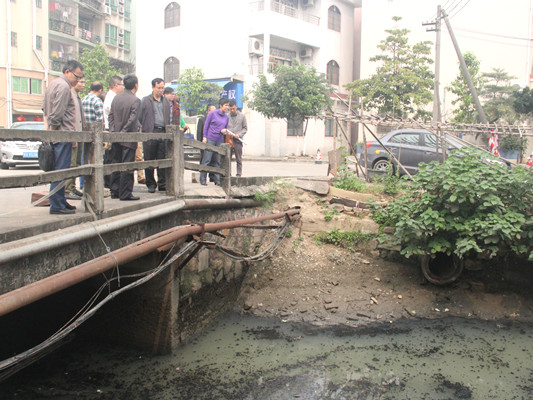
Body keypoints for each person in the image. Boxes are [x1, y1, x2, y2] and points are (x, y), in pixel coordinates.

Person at [42, 59, 84, 215]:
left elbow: (44, 107)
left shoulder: (53, 84)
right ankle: (57, 204)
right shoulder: (64, 86)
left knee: (61, 170)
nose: (78, 80)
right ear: (67, 72)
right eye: (76, 76)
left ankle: (60, 201)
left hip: (58, 134)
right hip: (62, 134)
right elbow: (57, 113)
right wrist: (54, 129)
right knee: (60, 170)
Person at [108, 74, 141, 201]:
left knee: (116, 163)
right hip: (128, 137)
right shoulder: (135, 100)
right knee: (127, 166)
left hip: (116, 136)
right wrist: (124, 131)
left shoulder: (116, 98)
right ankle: (125, 193)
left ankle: (115, 190)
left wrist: (114, 131)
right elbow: (133, 119)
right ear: (136, 85)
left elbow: (110, 116)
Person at [139, 78, 171, 193]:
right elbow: (139, 117)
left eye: (162, 88)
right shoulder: (146, 100)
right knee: (149, 159)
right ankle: (151, 184)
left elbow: (169, 117)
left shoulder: (166, 101)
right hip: (150, 132)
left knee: (162, 159)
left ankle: (162, 183)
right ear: (153, 87)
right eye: (159, 88)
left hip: (163, 132)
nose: (161, 90)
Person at [64, 77, 86, 200]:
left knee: (77, 163)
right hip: (73, 134)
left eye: (84, 82)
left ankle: (72, 187)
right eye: (80, 82)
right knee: (71, 164)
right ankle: (67, 189)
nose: (82, 84)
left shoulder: (78, 97)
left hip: (80, 133)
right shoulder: (70, 95)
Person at [199, 98, 229, 186]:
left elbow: (226, 128)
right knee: (207, 159)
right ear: (221, 106)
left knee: (217, 160)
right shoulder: (212, 113)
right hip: (211, 138)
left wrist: (224, 131)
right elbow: (206, 126)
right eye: (225, 105)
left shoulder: (226, 117)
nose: (227, 107)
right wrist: (205, 136)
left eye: (228, 105)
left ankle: (217, 180)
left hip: (220, 140)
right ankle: (203, 179)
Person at [103, 76, 124, 188]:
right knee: (111, 158)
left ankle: (111, 183)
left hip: (111, 128)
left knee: (111, 158)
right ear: (116, 85)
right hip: (111, 129)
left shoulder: (112, 96)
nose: (123, 87)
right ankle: (110, 184)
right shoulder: (112, 97)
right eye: (122, 85)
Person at [227, 99, 248, 177]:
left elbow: (245, 128)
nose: (232, 110)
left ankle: (238, 174)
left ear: (236, 106)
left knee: (238, 158)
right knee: (228, 158)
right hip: (228, 140)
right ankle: (228, 174)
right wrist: (227, 133)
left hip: (238, 140)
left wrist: (239, 134)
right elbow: (224, 128)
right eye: (230, 109)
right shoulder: (226, 116)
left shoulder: (242, 116)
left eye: (233, 108)